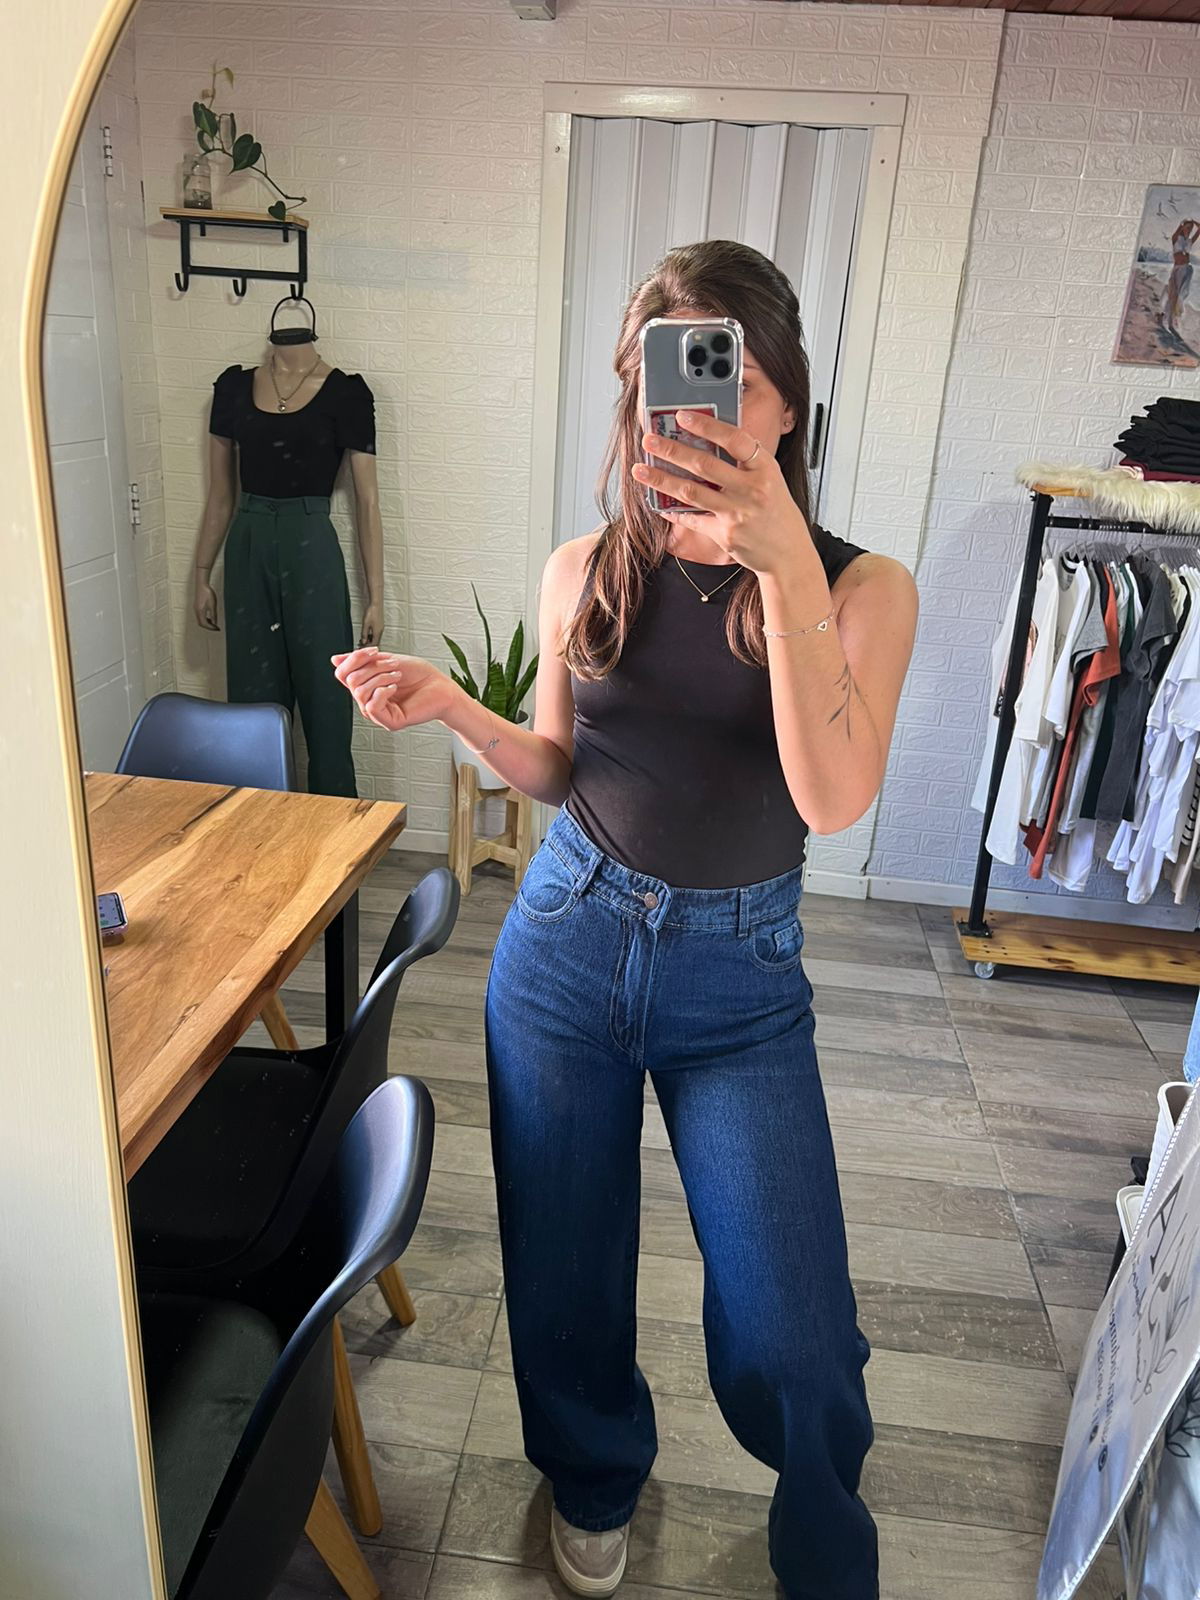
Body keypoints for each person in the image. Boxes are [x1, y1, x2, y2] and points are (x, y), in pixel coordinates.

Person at [333, 240, 918, 1600]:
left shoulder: (861, 587)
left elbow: (832, 801)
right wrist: (454, 707)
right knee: (565, 1274)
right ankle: (593, 1477)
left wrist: (781, 568)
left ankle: (822, 1509)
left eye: (733, 385)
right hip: (566, 945)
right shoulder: (583, 567)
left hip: (741, 983)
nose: (697, 419)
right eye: (670, 388)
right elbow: (556, 768)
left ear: (787, 403)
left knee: (792, 1327)